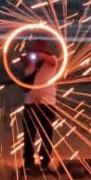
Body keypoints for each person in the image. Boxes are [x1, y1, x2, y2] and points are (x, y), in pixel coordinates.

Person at [21, 37, 59, 171]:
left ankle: (45, 162)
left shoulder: (52, 59)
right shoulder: (29, 60)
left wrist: (39, 55)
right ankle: (28, 163)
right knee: (29, 134)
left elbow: (52, 61)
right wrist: (31, 55)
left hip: (47, 103)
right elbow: (24, 60)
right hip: (30, 103)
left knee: (46, 135)